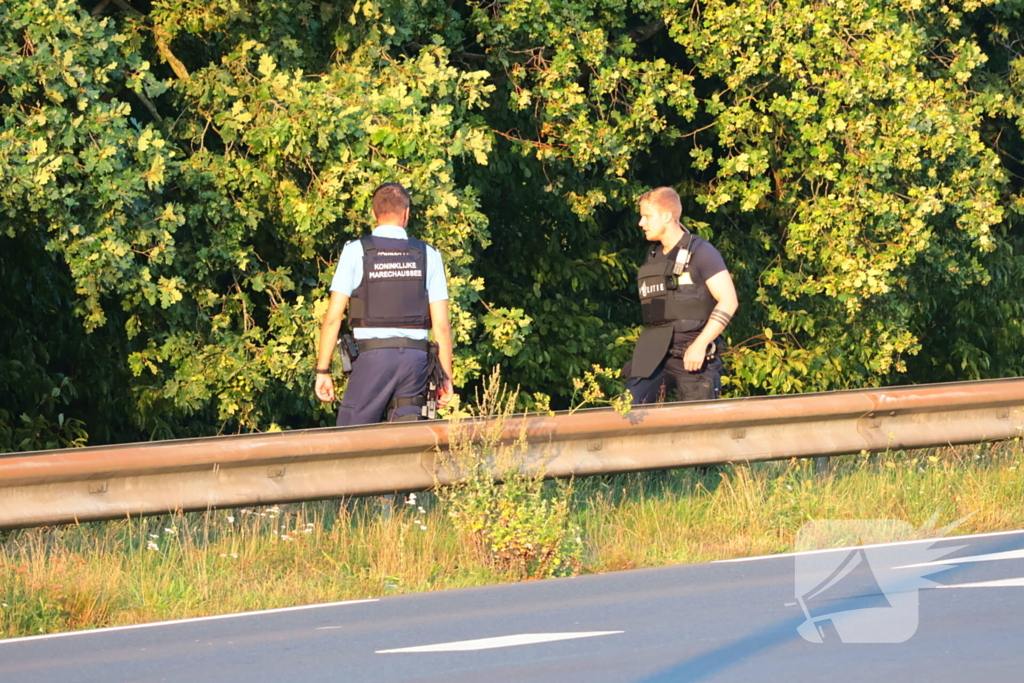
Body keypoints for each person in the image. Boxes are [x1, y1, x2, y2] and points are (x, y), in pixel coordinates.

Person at [314, 183, 454, 425]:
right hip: (415, 362)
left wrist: (323, 371)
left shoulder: (356, 251)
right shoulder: (429, 254)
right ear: (407, 213)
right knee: (407, 441)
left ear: (373, 213)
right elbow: (441, 326)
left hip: (372, 359)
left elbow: (333, 318)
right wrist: (446, 378)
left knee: (351, 438)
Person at [623, 186, 738, 405]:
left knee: (697, 430)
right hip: (655, 354)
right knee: (629, 412)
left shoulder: (702, 252)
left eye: (647, 216)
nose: (641, 223)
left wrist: (700, 345)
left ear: (667, 216)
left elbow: (729, 300)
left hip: (694, 356)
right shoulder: (654, 255)